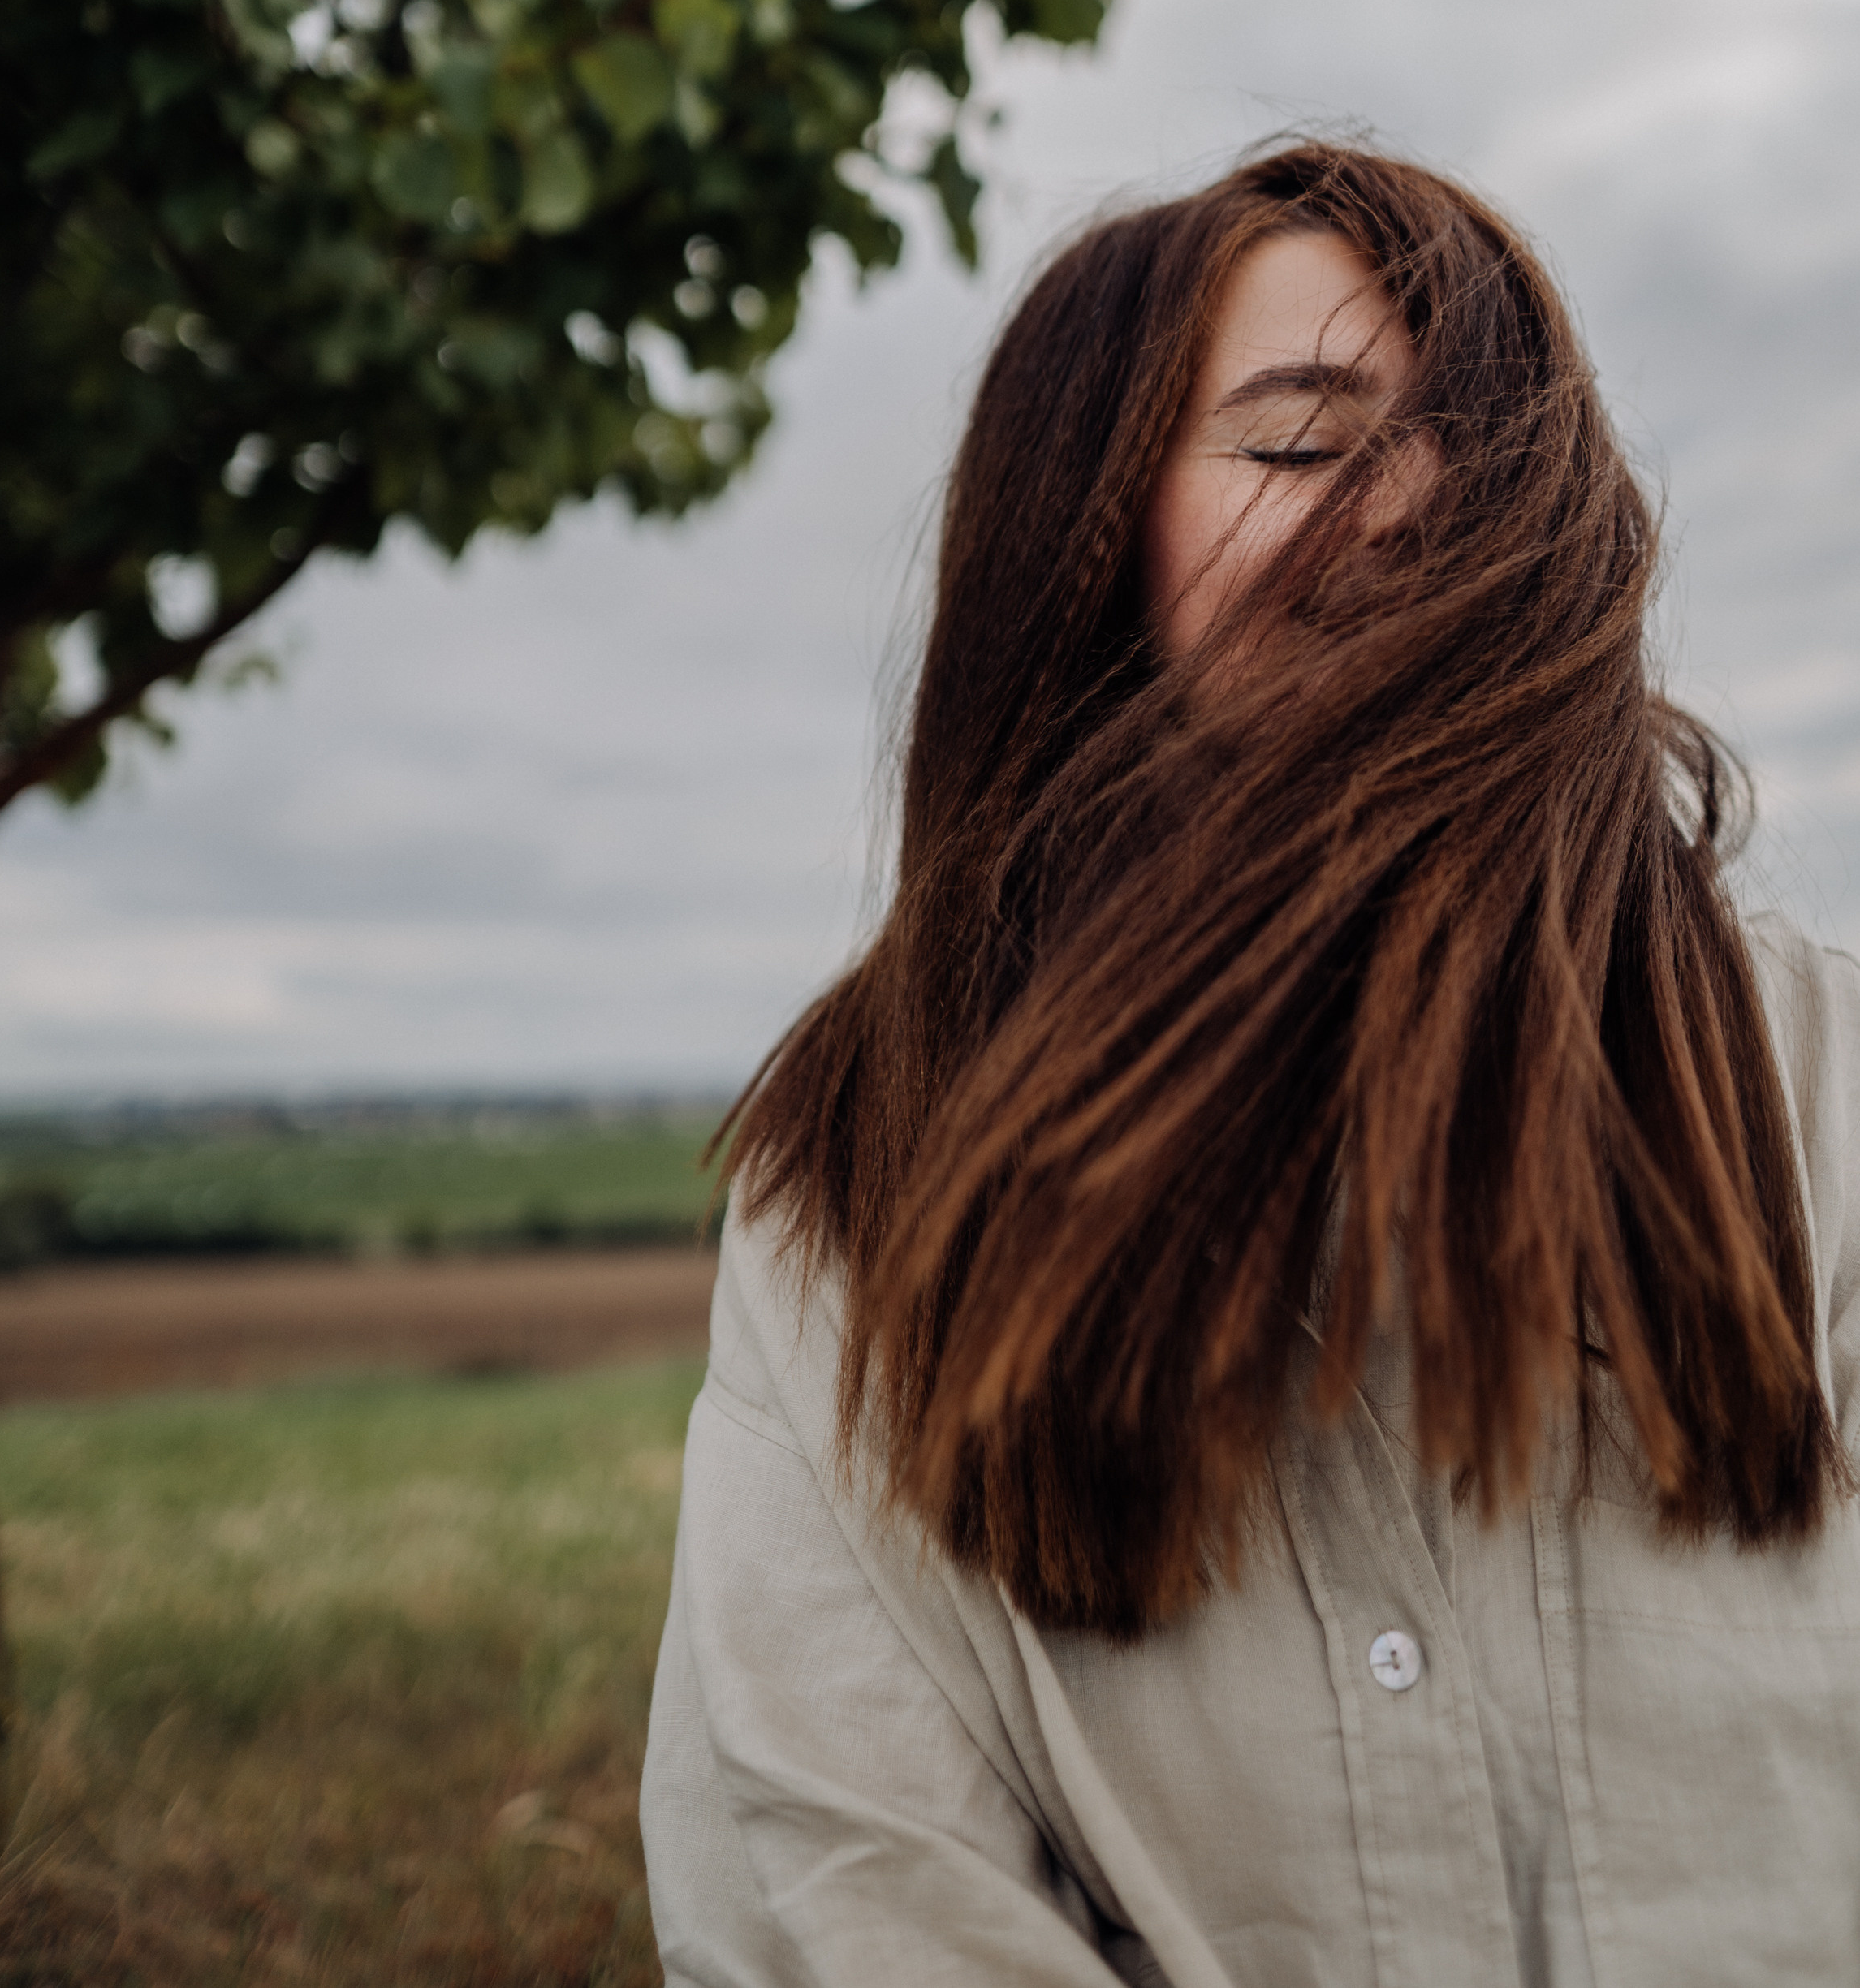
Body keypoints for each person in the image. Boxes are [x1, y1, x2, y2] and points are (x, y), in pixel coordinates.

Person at [640, 142, 1860, 1988]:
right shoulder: (860, 1187)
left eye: (1489, 444)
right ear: (1084, 550)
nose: (1420, 502)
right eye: (1301, 445)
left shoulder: (1813, 1073)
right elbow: (842, 1897)